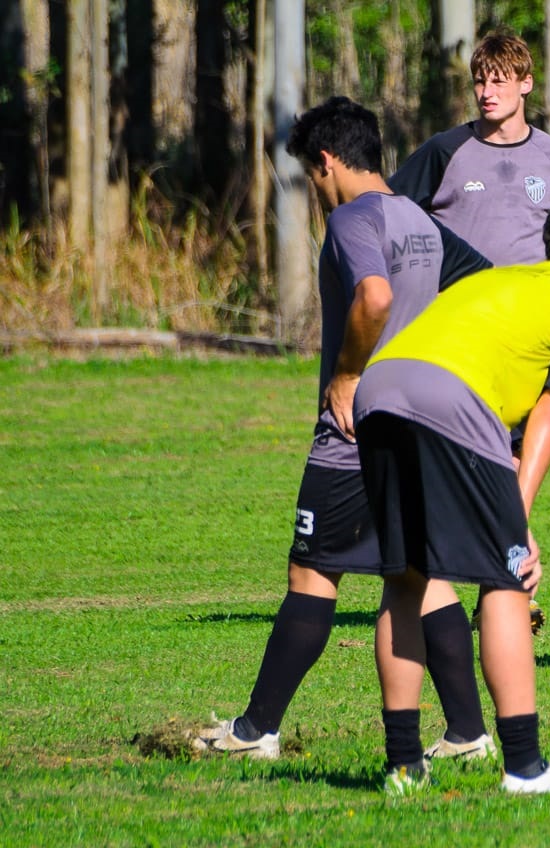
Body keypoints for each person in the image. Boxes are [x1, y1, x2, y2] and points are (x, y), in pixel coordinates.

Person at [197, 96, 497, 763]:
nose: (315, 189)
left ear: (327, 162)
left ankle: (256, 731)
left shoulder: (353, 218)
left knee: (312, 573)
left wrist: (347, 374)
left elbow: (375, 296)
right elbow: (482, 282)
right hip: (423, 430)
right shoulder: (419, 219)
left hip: (355, 434)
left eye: (311, 175)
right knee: (424, 578)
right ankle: (469, 733)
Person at [352, 197, 550, 794]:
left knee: (406, 578)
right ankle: (525, 768)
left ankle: (402, 767)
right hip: (448, 398)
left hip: (377, 388)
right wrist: (516, 519)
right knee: (507, 578)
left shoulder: (503, 278)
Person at [390, 34, 550, 632]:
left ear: (525, 84)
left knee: (517, 461)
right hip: (465, 342)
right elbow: (387, 212)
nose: (487, 92)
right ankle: (510, 575)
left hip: (539, 336)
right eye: (479, 81)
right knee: (487, 461)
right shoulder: (445, 151)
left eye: (499, 80)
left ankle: (508, 574)